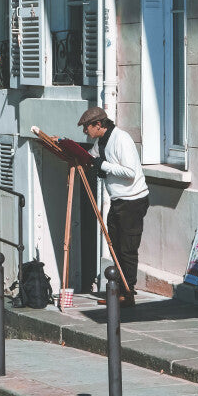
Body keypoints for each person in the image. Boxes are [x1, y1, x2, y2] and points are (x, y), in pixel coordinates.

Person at [77, 107, 149, 307]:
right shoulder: (101, 141)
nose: (85, 132)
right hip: (118, 201)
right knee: (115, 247)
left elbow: (130, 172)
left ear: (98, 125)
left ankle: (128, 293)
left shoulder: (121, 139)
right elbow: (91, 157)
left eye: (86, 128)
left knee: (127, 248)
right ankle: (118, 291)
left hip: (133, 201)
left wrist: (103, 166)